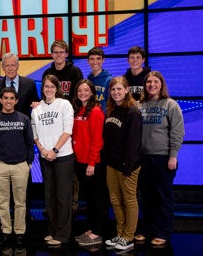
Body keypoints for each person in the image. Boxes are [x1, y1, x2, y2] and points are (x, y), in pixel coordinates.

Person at [137, 71, 184, 246]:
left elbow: (177, 132)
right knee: (147, 197)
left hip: (163, 158)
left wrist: (173, 156)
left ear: (161, 84)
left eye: (155, 81)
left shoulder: (170, 104)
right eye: (149, 82)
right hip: (143, 158)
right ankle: (147, 229)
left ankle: (162, 232)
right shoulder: (140, 104)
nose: (152, 85)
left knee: (163, 197)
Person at [0, 87, 34, 246]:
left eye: (11, 98)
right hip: (0, 166)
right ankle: (6, 230)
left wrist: (28, 162)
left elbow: (29, 142)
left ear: (16, 100)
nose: (8, 101)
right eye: (5, 98)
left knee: (20, 202)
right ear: (0, 100)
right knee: (3, 202)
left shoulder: (24, 119)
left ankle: (20, 231)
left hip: (20, 166)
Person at [31, 74, 74, 246]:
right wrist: (43, 150)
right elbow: (35, 135)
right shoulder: (37, 109)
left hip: (63, 157)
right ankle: (52, 230)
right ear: (42, 89)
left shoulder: (64, 104)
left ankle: (63, 235)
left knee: (63, 197)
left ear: (57, 89)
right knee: (49, 197)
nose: (48, 89)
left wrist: (55, 150)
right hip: (45, 157)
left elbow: (67, 130)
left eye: (52, 86)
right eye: (46, 86)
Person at [42, 40, 83, 215]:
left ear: (66, 54)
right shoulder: (48, 72)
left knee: (69, 169)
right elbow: (45, 96)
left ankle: (71, 205)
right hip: (51, 124)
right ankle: (53, 206)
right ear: (52, 54)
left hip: (69, 122)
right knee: (52, 171)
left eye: (62, 52)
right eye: (55, 52)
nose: (58, 55)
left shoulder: (74, 72)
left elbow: (81, 94)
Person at [102, 77, 142, 251]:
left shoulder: (133, 111)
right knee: (115, 200)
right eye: (113, 90)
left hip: (128, 165)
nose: (116, 92)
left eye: (119, 89)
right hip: (112, 164)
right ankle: (120, 233)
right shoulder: (111, 110)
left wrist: (128, 164)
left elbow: (133, 142)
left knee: (129, 199)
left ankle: (129, 236)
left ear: (126, 90)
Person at [71, 79, 107, 246]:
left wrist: (92, 163)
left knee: (96, 199)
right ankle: (91, 229)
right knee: (89, 200)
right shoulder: (79, 110)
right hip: (79, 162)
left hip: (92, 163)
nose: (83, 93)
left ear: (92, 92)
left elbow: (97, 141)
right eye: (80, 90)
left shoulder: (96, 112)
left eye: (86, 90)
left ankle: (98, 232)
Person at [0, 52, 39, 118]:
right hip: (3, 125)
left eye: (13, 65)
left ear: (17, 66)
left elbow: (35, 106)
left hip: (23, 125)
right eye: (7, 66)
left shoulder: (29, 84)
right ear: (3, 67)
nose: (10, 69)